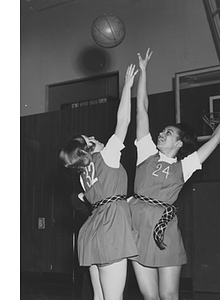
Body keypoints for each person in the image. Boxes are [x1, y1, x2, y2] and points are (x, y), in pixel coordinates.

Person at [128, 49, 220, 300]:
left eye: (168, 133)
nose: (161, 134)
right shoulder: (146, 153)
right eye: (162, 131)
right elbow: (141, 111)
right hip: (137, 228)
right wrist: (144, 72)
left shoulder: (184, 166)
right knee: (150, 296)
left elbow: (212, 142)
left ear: (179, 143)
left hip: (163, 229)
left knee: (168, 296)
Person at [59, 64, 139, 300]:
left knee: (99, 297)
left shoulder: (83, 174)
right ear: (88, 151)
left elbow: (100, 195)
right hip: (110, 227)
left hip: (93, 229)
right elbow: (123, 120)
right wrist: (127, 87)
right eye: (90, 139)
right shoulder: (107, 156)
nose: (95, 137)